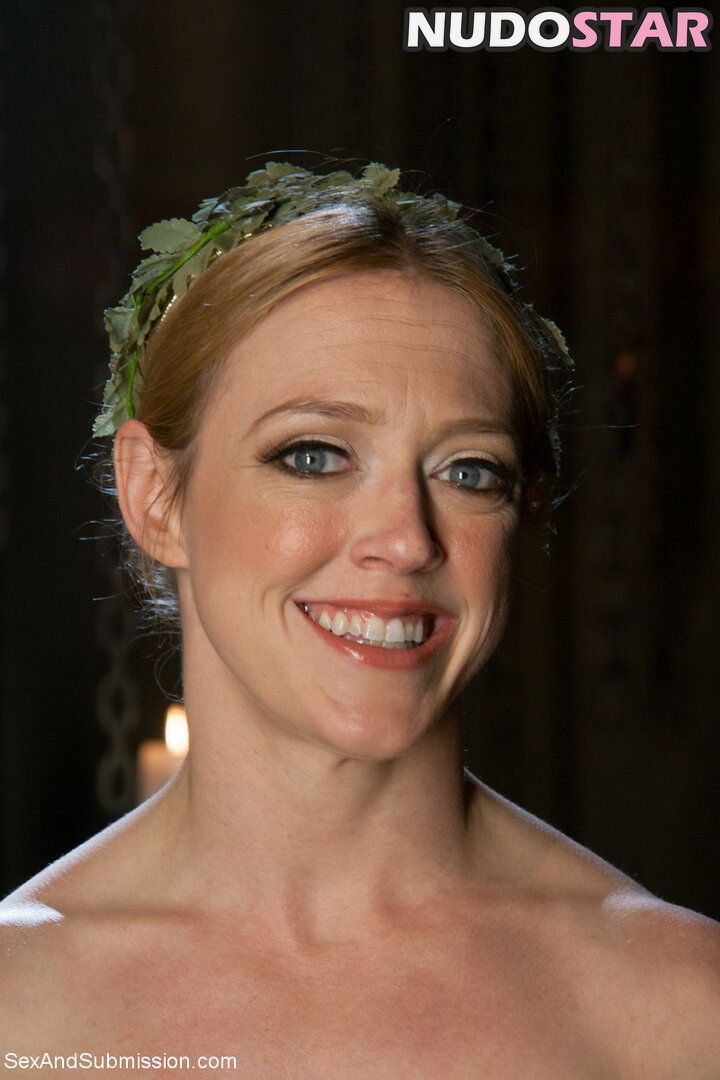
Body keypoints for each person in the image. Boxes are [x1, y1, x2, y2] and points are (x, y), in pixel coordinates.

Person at [1, 162, 719, 1077]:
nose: (407, 540)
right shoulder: (18, 1008)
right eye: (313, 455)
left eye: (469, 472)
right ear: (156, 497)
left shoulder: (679, 1013)